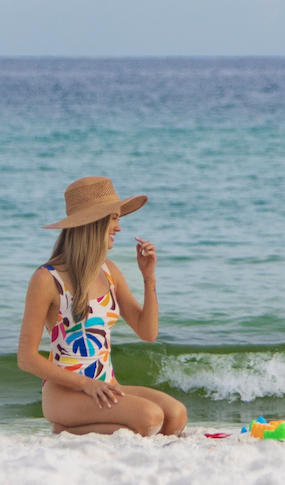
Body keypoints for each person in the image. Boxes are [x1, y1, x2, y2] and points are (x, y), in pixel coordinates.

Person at [17, 177, 188, 436]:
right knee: (149, 418)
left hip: (105, 387)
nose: (119, 228)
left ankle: (79, 428)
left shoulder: (109, 272)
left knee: (176, 416)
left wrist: (149, 277)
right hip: (66, 394)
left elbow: (148, 333)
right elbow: (26, 358)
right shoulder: (47, 279)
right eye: (114, 218)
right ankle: (66, 429)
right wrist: (85, 383)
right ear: (93, 222)